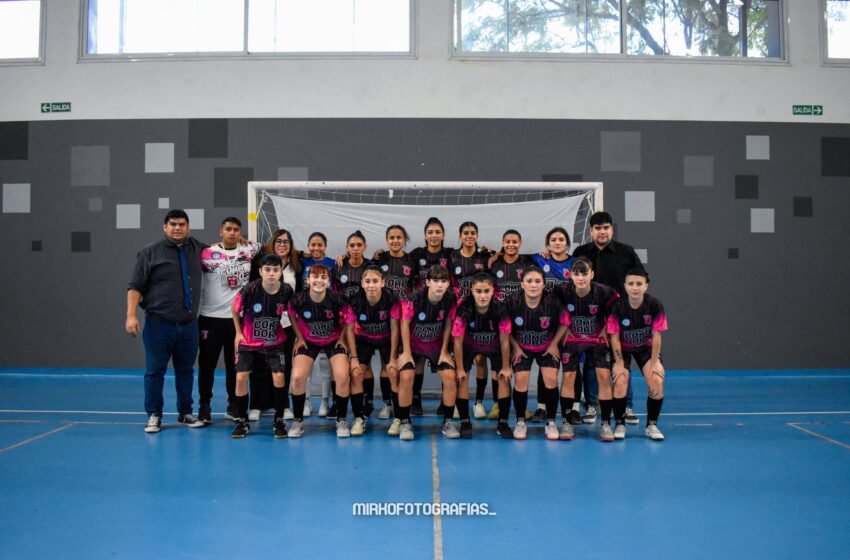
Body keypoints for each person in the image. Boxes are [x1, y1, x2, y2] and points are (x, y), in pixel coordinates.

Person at [126, 209, 206, 433]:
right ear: (165, 227)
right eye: (173, 224)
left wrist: (240, 242)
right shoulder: (150, 253)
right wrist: (131, 315)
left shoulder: (199, 249)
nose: (177, 228)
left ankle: (185, 413)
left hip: (189, 325)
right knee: (154, 371)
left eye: (182, 224)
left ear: (188, 227)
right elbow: (135, 287)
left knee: (186, 371)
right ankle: (154, 415)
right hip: (159, 325)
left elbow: (223, 252)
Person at [573, 211, 645, 425]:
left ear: (612, 229)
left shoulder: (626, 252)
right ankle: (592, 406)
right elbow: (571, 277)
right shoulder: (580, 252)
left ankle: (626, 406)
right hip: (590, 318)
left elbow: (640, 278)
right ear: (591, 231)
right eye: (598, 228)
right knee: (591, 362)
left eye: (606, 227)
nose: (602, 232)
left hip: (620, 317)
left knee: (621, 360)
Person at [196, 217, 259, 424]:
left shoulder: (250, 250)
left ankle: (233, 406)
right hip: (210, 318)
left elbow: (277, 247)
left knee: (235, 367)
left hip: (238, 321)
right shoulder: (207, 253)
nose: (232, 232)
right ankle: (204, 406)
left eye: (236, 230)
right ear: (220, 232)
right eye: (228, 229)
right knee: (207, 366)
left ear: (240, 233)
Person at [552, 257, 620, 441]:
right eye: (576, 274)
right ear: (570, 275)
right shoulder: (562, 290)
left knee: (604, 378)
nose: (580, 278)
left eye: (584, 273)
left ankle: (606, 423)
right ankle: (567, 422)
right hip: (573, 339)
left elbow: (617, 309)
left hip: (597, 339)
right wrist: (563, 327)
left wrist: (607, 329)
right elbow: (551, 309)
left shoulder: (604, 291)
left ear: (592, 274)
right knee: (568, 378)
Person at [287, 264, 355, 438]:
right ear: (308, 280)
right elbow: (291, 314)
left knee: (342, 376)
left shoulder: (337, 298)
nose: (319, 280)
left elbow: (349, 317)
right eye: (315, 277)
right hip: (309, 341)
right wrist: (299, 337)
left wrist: (342, 338)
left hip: (333, 341)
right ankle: (298, 421)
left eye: (324, 277)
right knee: (297, 377)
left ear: (329, 281)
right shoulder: (299, 298)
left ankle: (341, 420)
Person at [230, 254, 295, 438]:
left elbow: (292, 314)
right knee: (241, 378)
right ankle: (242, 421)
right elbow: (234, 308)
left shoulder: (286, 290)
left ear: (281, 272)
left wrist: (299, 336)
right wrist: (238, 333)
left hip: (274, 342)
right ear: (260, 271)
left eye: (275, 270)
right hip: (248, 342)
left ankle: (279, 421)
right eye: (267, 269)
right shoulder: (250, 289)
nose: (271, 273)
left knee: (279, 376)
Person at [506, 266, 568, 440]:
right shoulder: (512, 301)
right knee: (520, 381)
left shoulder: (553, 301)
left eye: (538, 281)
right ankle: (520, 422)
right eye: (529, 281)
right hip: (521, 347)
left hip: (546, 346)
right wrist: (515, 347)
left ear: (543, 284)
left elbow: (565, 322)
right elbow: (503, 327)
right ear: (522, 284)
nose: (533, 285)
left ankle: (551, 422)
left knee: (551, 379)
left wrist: (554, 344)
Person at [396, 265, 457, 441]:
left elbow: (448, 323)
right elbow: (404, 323)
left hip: (435, 345)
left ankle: (448, 422)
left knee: (450, 377)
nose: (439, 284)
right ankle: (405, 422)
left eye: (443, 281)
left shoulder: (450, 298)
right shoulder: (415, 298)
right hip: (413, 345)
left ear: (448, 284)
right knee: (406, 377)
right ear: (428, 282)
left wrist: (444, 351)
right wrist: (406, 352)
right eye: (435, 281)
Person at [607, 269, 668, 441]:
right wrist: (619, 363)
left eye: (639, 284)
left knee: (656, 380)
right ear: (625, 286)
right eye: (631, 284)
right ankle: (620, 423)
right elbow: (614, 337)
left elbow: (657, 336)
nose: (635, 288)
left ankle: (651, 425)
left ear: (646, 286)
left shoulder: (654, 304)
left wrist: (655, 362)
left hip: (645, 348)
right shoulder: (617, 306)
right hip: (623, 349)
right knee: (620, 381)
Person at [249, 229, 303, 421]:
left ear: (291, 245)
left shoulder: (297, 266)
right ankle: (257, 405)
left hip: (286, 323)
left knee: (283, 365)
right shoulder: (260, 263)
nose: (282, 244)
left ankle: (282, 405)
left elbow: (298, 296)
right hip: (261, 324)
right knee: (260, 365)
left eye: (286, 241)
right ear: (272, 243)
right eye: (279, 241)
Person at [451, 273, 513, 439]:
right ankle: (465, 422)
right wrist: (460, 369)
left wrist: (506, 367)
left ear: (493, 290)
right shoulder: (464, 308)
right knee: (462, 378)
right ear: (472, 290)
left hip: (494, 345)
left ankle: (503, 423)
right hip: (469, 345)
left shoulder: (500, 308)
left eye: (486, 291)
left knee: (504, 378)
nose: (483, 296)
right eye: (478, 291)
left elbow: (505, 340)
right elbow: (457, 342)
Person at [346, 265, 401, 436]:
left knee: (392, 371)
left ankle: (397, 417)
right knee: (356, 373)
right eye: (368, 281)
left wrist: (393, 357)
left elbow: (395, 327)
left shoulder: (391, 298)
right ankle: (358, 419)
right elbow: (349, 329)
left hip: (386, 337)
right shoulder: (354, 300)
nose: (371, 285)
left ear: (382, 282)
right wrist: (353, 357)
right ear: (362, 283)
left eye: (375, 281)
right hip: (363, 338)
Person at [449, 221, 495, 420]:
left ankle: (478, 402)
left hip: (480, 312)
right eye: (466, 233)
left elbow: (500, 263)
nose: (469, 236)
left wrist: (495, 253)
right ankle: (457, 402)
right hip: (459, 313)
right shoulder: (452, 256)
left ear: (477, 235)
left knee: (480, 358)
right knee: (458, 358)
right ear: (460, 236)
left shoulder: (484, 256)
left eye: (473, 233)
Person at [488, 229, 535, 421]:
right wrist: (495, 254)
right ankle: (497, 405)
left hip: (521, 319)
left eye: (514, 241)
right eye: (507, 241)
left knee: (519, 366)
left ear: (520, 243)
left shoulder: (527, 263)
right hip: (499, 318)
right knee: (498, 366)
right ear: (502, 243)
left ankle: (520, 407)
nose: (511, 245)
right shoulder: (494, 264)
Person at [407, 218, 453, 416]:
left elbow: (471, 255)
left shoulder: (450, 254)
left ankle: (446, 402)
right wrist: (379, 255)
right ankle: (415, 399)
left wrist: (492, 253)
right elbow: (396, 258)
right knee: (417, 360)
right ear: (425, 235)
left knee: (444, 357)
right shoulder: (416, 254)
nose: (434, 235)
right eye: (430, 232)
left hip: (441, 310)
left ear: (443, 235)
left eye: (437, 232)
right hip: (420, 310)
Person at [373, 224, 418, 419]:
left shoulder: (411, 261)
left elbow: (417, 286)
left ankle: (406, 401)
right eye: (391, 237)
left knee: (404, 363)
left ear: (404, 239)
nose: (395, 241)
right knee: (387, 364)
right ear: (386, 240)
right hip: (384, 318)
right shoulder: (379, 259)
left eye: (399, 237)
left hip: (405, 320)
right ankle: (387, 404)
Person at [531, 227, 575, 424]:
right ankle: (542, 407)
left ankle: (574, 408)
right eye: (553, 240)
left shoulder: (575, 263)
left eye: (561, 239)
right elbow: (513, 256)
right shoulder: (540, 260)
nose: (557, 243)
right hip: (547, 323)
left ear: (567, 243)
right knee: (546, 365)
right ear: (548, 245)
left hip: (570, 323)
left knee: (572, 367)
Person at [335, 231, 374, 415]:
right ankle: (337, 403)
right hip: (343, 321)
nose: (356, 248)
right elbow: (334, 293)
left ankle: (369, 400)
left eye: (359, 245)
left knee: (364, 364)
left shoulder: (371, 266)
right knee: (340, 363)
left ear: (365, 247)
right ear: (347, 247)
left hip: (365, 322)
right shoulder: (339, 267)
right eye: (352, 245)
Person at [299, 232, 336, 417]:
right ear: (308, 246)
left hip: (326, 318)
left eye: (320, 244)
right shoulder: (301, 262)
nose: (316, 248)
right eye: (313, 244)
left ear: (325, 246)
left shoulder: (333, 264)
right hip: (305, 317)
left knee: (325, 365)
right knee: (306, 366)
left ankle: (324, 402)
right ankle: (306, 402)